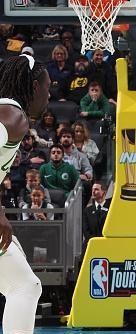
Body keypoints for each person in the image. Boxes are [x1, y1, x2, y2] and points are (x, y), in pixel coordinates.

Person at [0, 55, 50, 334]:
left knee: (24, 286)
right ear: (33, 87)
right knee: (23, 287)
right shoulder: (13, 116)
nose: (49, 94)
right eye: (47, 87)